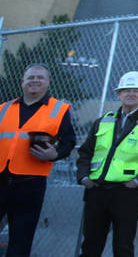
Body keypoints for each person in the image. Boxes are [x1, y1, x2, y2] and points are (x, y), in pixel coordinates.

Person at [76, 70, 138, 257]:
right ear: (119, 94)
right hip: (97, 190)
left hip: (126, 193)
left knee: (123, 246)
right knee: (90, 246)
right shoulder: (103, 121)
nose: (130, 94)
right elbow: (85, 152)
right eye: (126, 90)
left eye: (136, 90)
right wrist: (84, 177)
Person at [0, 63, 76, 257]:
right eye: (30, 77)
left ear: (48, 83)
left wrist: (54, 154)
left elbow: (69, 142)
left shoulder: (59, 110)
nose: (34, 81)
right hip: (0, 179)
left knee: (20, 240)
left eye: (40, 78)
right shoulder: (4, 108)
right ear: (22, 82)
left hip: (30, 184)